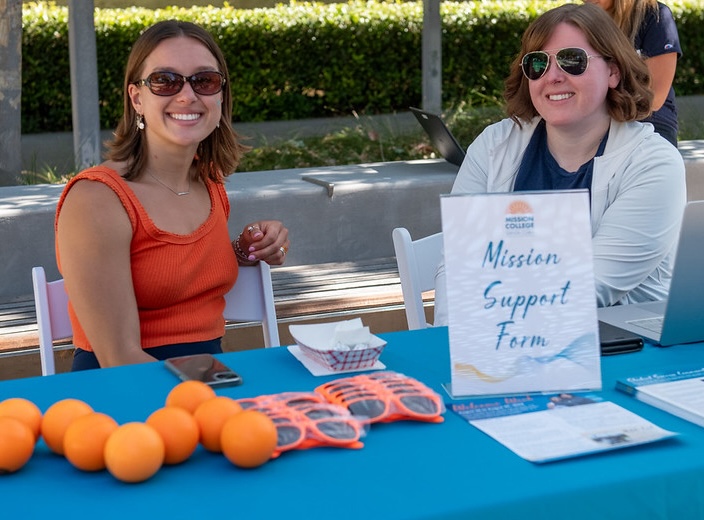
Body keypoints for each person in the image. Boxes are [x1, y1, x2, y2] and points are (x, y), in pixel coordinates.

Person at [55, 20, 290, 370]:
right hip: (129, 394)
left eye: (204, 80)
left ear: (220, 94)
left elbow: (173, 268)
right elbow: (119, 359)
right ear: (137, 97)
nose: (187, 95)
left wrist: (246, 248)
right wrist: (223, 392)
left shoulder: (208, 182)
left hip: (205, 378)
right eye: (165, 81)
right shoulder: (96, 199)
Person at [433, 3, 686, 327]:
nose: (552, 76)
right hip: (495, 350)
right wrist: (459, 345)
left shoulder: (655, 164)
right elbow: (456, 266)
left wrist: (483, 318)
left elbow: (591, 285)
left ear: (613, 71)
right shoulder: (492, 146)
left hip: (622, 356)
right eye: (537, 63)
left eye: (572, 60)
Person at [585, 0, 682, 146]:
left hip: (649, 124)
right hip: (595, 124)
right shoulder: (583, 21)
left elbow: (655, 98)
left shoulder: (655, 16)